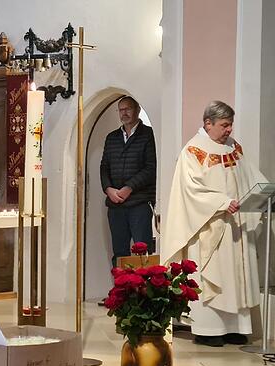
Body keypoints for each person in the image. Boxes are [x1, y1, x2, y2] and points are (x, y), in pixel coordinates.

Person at [163, 101, 268, 347]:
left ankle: (235, 328)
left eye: (230, 124)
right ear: (207, 123)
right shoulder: (193, 151)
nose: (229, 130)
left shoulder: (234, 147)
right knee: (214, 276)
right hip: (211, 226)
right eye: (224, 125)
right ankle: (209, 330)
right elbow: (190, 190)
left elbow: (251, 176)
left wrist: (264, 193)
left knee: (236, 277)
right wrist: (221, 202)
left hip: (237, 226)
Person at [100, 96, 157, 267]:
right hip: (115, 205)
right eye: (121, 109)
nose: (124, 113)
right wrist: (108, 188)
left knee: (143, 251)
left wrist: (129, 187)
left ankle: (145, 292)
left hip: (139, 202)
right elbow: (104, 166)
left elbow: (150, 168)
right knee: (119, 253)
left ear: (137, 110)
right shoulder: (112, 137)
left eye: (128, 109)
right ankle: (121, 291)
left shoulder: (148, 135)